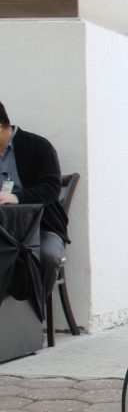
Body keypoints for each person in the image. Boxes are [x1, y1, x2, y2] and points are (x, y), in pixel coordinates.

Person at [0, 101, 69, 298]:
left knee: (48, 255)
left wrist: (15, 197)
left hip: (42, 226)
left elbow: (51, 188)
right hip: (3, 230)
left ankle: (35, 308)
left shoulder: (37, 146)